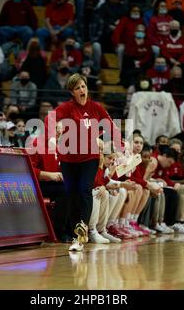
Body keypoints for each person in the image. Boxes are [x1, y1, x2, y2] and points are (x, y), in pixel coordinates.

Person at [45, 73, 123, 252]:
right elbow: (50, 120)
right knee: (72, 195)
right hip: (68, 158)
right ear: (72, 92)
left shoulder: (96, 108)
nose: (82, 90)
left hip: (89, 158)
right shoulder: (66, 108)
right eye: (77, 88)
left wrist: (121, 145)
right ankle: (75, 235)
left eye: (83, 86)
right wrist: (50, 137)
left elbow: (111, 125)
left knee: (84, 191)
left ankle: (81, 235)